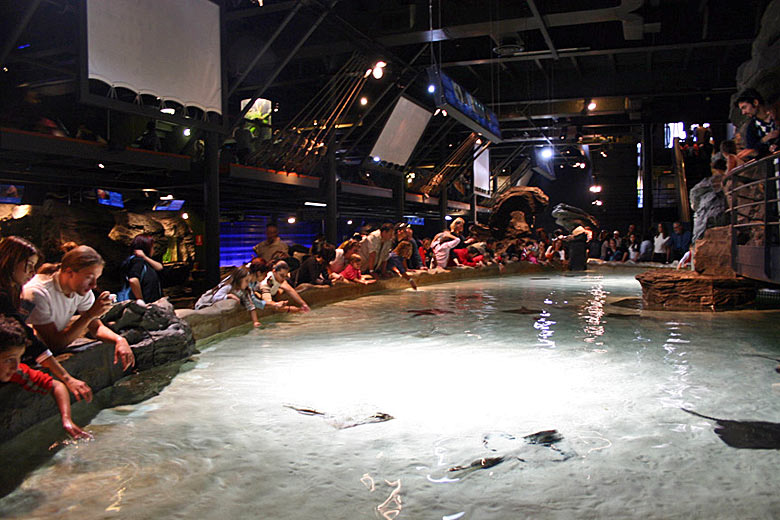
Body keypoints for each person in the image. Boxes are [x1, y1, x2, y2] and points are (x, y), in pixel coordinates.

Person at [0, 236, 92, 402]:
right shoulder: (8, 294)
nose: (31, 273)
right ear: (10, 261)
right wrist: (66, 377)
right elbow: (28, 335)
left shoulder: (12, 292)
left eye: (33, 267)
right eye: (28, 266)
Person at [22, 245, 135, 371]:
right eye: (89, 277)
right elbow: (54, 344)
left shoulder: (81, 290)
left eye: (96, 278)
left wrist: (119, 340)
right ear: (70, 273)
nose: (94, 285)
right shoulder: (37, 293)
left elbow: (96, 327)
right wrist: (90, 314)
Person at [0, 316, 91, 439]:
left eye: (19, 358)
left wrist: (66, 419)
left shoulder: (18, 372)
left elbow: (56, 386)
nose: (15, 366)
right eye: (9, 359)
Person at [195, 266, 263, 327]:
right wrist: (228, 296)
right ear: (239, 279)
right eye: (246, 281)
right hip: (204, 304)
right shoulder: (228, 286)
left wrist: (255, 321)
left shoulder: (244, 291)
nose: (248, 284)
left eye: (249, 281)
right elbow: (215, 298)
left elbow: (251, 306)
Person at [119, 234, 163, 305]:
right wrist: (140, 299)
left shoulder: (144, 261)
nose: (153, 250)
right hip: (144, 305)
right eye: (152, 247)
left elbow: (159, 267)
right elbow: (133, 280)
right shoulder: (137, 261)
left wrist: (144, 257)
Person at [735, 89, 778, 160]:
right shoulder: (752, 127)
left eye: (744, 107)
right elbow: (751, 149)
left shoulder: (776, 114)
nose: (743, 112)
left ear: (755, 102)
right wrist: (765, 139)